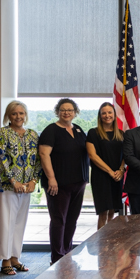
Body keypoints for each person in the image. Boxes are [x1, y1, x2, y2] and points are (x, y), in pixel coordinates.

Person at [0, 100, 41, 275]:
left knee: (20, 223)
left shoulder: (33, 135)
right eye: (14, 113)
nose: (18, 116)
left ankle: (15, 258)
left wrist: (34, 180)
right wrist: (14, 181)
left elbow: (38, 160)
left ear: (25, 115)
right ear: (8, 116)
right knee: (7, 222)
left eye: (21, 113)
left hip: (26, 187)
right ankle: (5, 261)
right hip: (6, 186)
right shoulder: (2, 134)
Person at [39, 98, 89, 264]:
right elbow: (44, 154)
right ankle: (57, 257)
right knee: (59, 220)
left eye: (70, 110)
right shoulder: (51, 130)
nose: (66, 112)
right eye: (63, 109)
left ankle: (67, 252)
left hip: (78, 183)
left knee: (72, 220)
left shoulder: (79, 130)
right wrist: (51, 178)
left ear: (75, 112)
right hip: (58, 185)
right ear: (57, 112)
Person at [86, 102, 124, 229]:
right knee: (103, 212)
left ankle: (110, 241)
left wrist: (121, 170)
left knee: (112, 210)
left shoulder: (121, 134)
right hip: (101, 177)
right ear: (100, 116)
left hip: (117, 176)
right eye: (104, 113)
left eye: (109, 113)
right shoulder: (93, 133)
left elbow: (126, 155)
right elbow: (92, 155)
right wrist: (110, 171)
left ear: (114, 115)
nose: (107, 115)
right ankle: (101, 243)